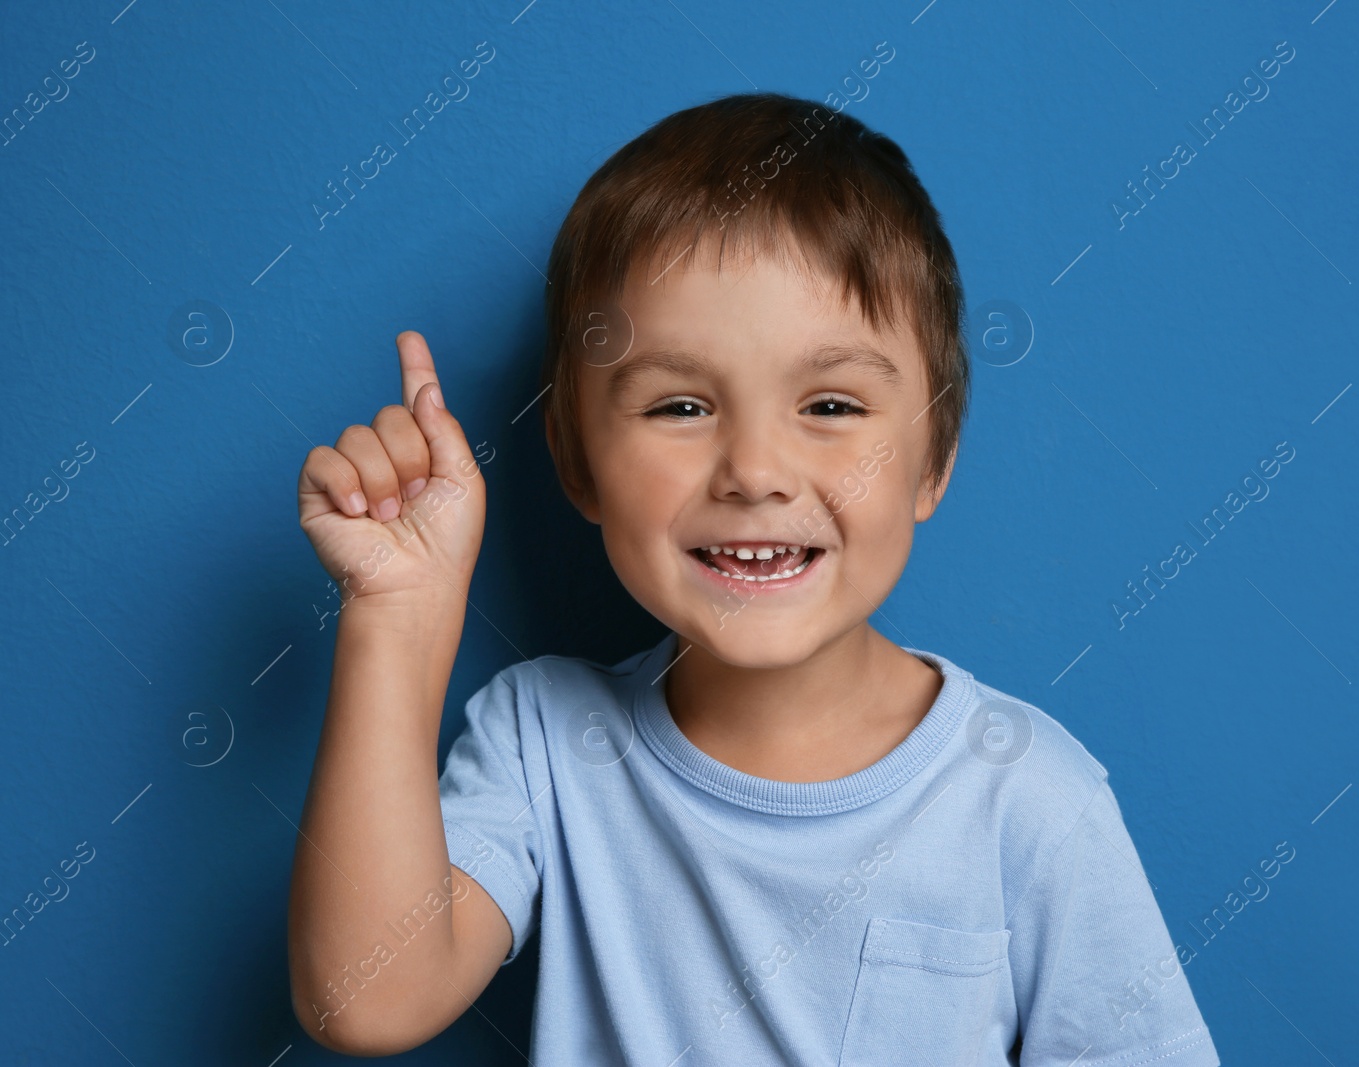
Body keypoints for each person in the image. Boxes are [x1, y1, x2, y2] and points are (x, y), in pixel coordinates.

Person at [287, 91, 1221, 1066]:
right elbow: (365, 999)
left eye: (828, 402)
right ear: (575, 459)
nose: (755, 470)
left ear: (933, 455)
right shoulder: (544, 741)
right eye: (681, 405)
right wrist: (398, 615)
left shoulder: (1026, 795)